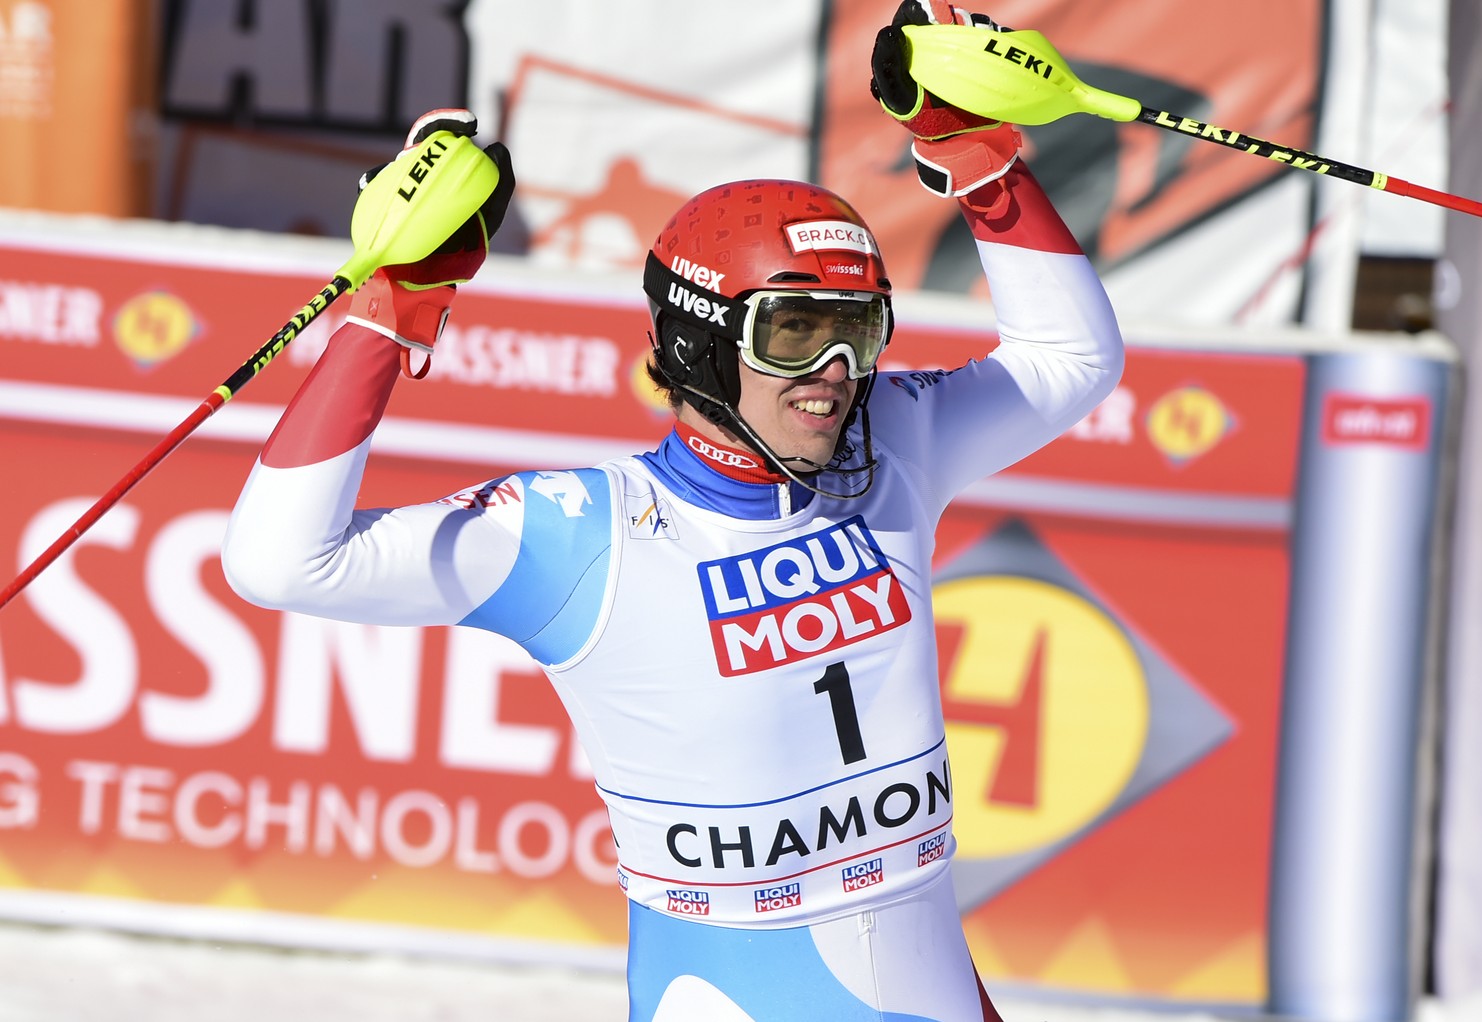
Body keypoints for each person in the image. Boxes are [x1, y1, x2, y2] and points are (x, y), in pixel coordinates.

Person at [222, 3, 1124, 1019]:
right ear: (699, 342)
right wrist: (388, 308)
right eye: (792, 331)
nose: (833, 374)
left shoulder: (891, 447)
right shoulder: (581, 529)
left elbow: (1071, 363)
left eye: (857, 331)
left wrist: (976, 159)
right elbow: (278, 561)